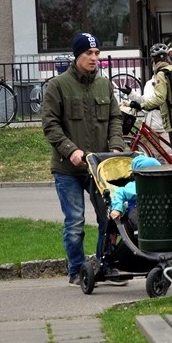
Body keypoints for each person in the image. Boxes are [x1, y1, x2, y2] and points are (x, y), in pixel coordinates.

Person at [42, 32, 126, 287]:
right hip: (68, 168)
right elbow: (50, 125)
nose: (94, 58)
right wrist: (71, 150)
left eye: (97, 53)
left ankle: (104, 265)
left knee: (110, 218)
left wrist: (115, 147)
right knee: (75, 221)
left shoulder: (104, 85)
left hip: (99, 168)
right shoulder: (58, 86)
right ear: (77, 56)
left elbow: (115, 119)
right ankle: (78, 270)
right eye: (88, 53)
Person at [127, 43, 172, 164]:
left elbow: (159, 98)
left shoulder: (162, 74)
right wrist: (132, 95)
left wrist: (141, 106)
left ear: (153, 61)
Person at [108, 154, 161, 227]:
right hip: (139, 211)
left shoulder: (160, 185)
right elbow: (120, 193)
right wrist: (117, 209)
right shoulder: (134, 185)